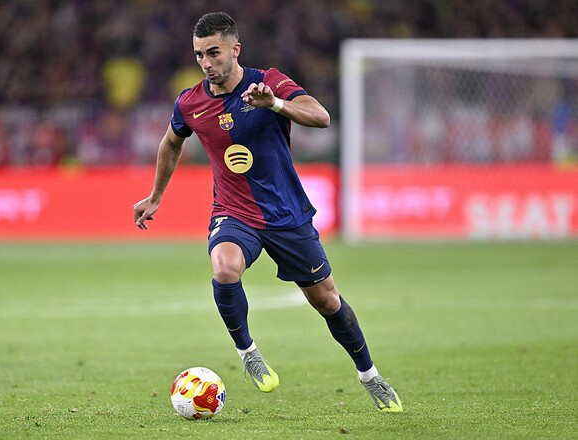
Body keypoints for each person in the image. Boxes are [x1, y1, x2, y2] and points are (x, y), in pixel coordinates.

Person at [133, 11, 402, 412]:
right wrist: (156, 195)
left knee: (327, 300)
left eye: (214, 52)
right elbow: (171, 143)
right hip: (234, 212)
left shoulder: (269, 82)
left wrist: (274, 104)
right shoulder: (190, 103)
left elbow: (321, 117)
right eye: (199, 54)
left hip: (286, 215)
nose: (206, 62)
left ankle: (370, 376)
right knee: (225, 268)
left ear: (235, 50)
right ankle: (248, 353)